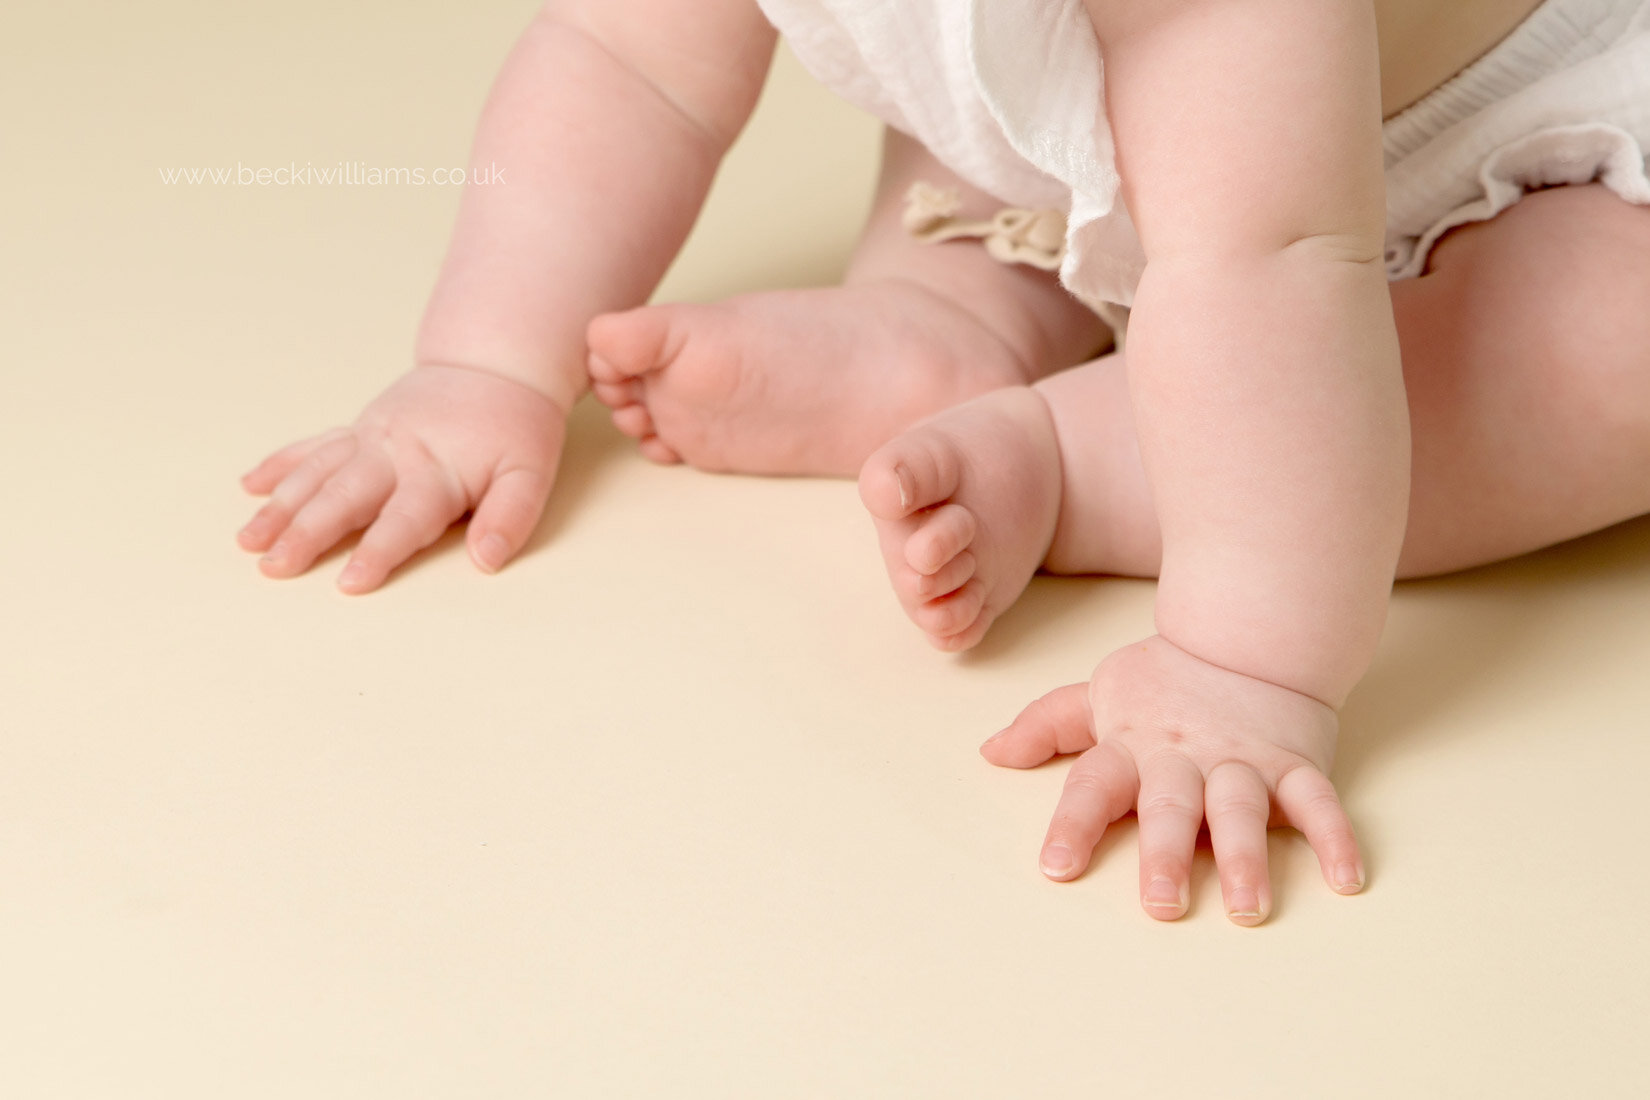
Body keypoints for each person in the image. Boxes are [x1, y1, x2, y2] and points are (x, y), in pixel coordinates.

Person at [237, 0, 1650, 924]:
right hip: (1122, 142)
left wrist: (1241, 668)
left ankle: (1087, 458)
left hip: (1494, 133)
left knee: (1604, 348)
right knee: (985, 113)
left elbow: (1272, 261)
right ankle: (948, 321)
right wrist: (485, 365)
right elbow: (623, 64)